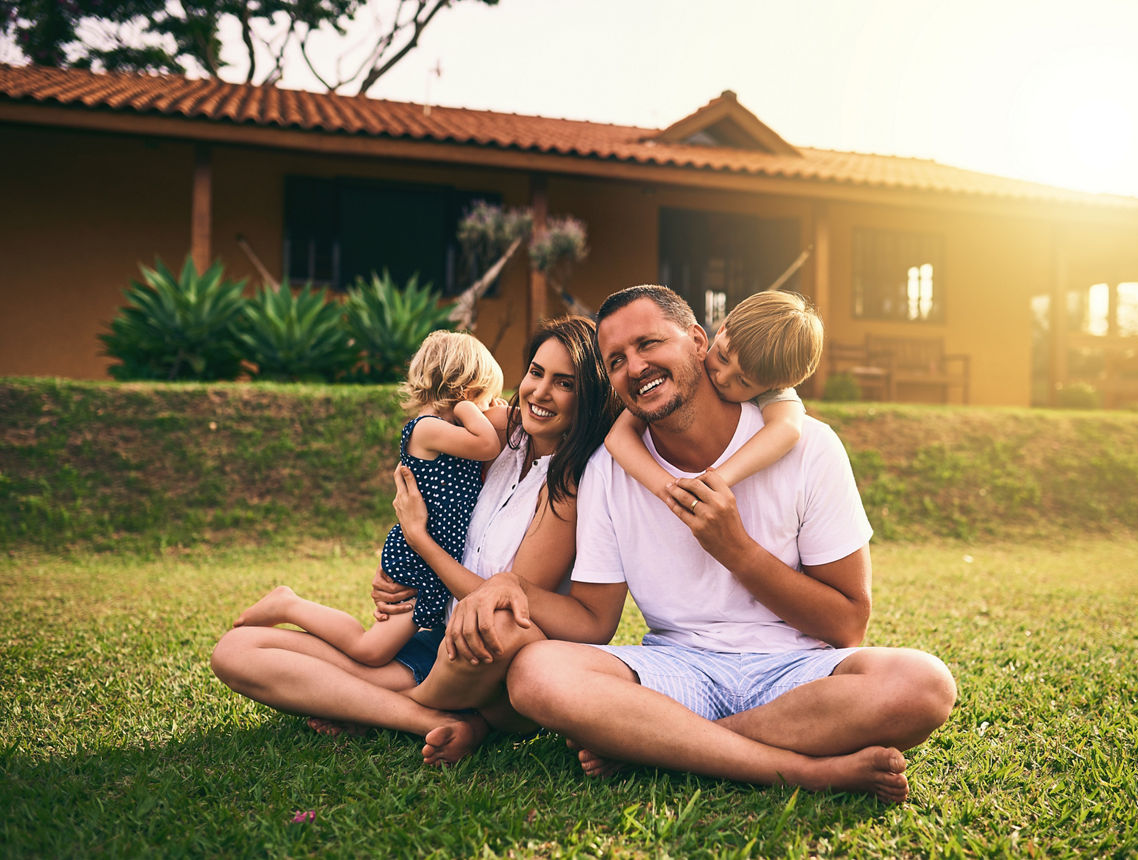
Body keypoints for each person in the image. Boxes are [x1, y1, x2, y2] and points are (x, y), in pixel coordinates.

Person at [442, 285, 956, 801]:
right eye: (615, 360)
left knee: (924, 685)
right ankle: (806, 770)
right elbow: (593, 622)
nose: (634, 366)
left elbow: (848, 625)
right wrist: (508, 584)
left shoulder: (810, 447)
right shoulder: (608, 471)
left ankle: (663, 744)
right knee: (537, 674)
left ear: (697, 340)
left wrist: (737, 550)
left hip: (794, 671)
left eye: (648, 344)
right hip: (678, 669)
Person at [210, 315, 620, 763]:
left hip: (481, 657)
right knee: (236, 649)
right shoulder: (506, 433)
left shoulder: (570, 484)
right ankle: (425, 717)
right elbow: (436, 460)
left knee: (499, 626)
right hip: (434, 636)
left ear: (590, 396)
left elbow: (502, 602)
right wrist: (401, 568)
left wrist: (419, 541)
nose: (540, 392)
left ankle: (365, 704)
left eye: (565, 383)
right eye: (536, 373)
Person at [232, 329, 505, 670]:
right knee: (370, 649)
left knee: (383, 650)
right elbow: (489, 444)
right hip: (417, 561)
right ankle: (288, 604)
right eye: (487, 396)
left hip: (437, 559)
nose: (491, 407)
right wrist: (471, 409)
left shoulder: (452, 435)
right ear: (465, 388)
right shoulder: (426, 428)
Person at [605, 290, 821, 500]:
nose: (722, 377)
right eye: (723, 357)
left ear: (774, 387)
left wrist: (717, 479)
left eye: (743, 381)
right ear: (721, 331)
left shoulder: (776, 388)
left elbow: (787, 429)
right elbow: (617, 439)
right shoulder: (684, 368)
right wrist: (669, 490)